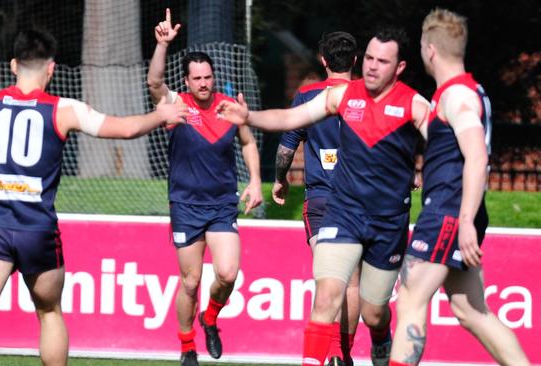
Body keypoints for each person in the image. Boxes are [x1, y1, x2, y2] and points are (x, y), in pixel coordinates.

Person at [0, 29, 188, 366]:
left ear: (14, 66)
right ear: (52, 69)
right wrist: (161, 115)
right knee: (49, 311)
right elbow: (126, 129)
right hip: (38, 231)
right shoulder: (63, 110)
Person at [217, 27, 430, 366]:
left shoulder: (415, 104)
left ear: (399, 67)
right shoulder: (343, 96)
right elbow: (290, 118)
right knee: (327, 295)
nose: (374, 66)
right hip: (342, 212)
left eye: (383, 61)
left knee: (375, 312)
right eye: (370, 58)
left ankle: (379, 337)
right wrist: (250, 117)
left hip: (386, 221)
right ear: (362, 60)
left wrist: (424, 175)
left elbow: (444, 147)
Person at [388, 9, 530, 366]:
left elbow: (477, 156)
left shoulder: (457, 96)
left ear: (430, 49)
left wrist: (465, 220)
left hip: (449, 212)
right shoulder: (464, 92)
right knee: (470, 310)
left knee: (410, 297)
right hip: (457, 211)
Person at [146, 9, 263, 366]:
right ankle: (186, 346)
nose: (203, 83)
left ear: (214, 77)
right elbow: (153, 83)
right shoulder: (176, 103)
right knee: (191, 281)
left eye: (208, 77)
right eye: (196, 78)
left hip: (222, 205)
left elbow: (247, 141)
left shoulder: (228, 107)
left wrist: (256, 179)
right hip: (185, 205)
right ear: (187, 79)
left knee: (227, 273)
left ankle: (210, 317)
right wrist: (162, 45)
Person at [273, 31, 361, 366]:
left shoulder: (307, 96)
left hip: (322, 201)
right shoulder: (369, 96)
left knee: (328, 279)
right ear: (354, 61)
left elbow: (287, 146)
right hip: (360, 202)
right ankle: (344, 354)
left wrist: (280, 180)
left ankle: (330, 355)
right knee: (351, 283)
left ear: (323, 61)